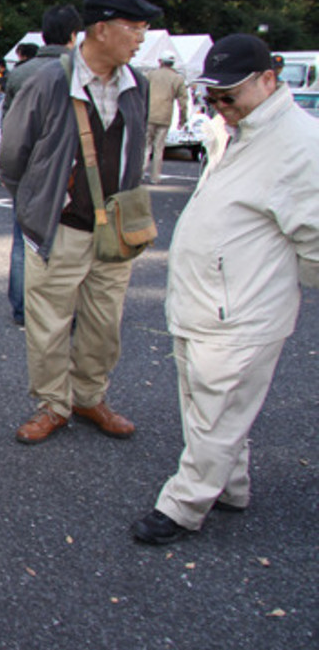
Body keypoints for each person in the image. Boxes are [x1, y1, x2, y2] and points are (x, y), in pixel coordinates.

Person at [131, 34, 319, 545]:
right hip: (208, 301)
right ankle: (231, 486)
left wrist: (274, 287)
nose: (219, 105)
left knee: (215, 413)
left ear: (268, 81)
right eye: (212, 96)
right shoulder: (239, 130)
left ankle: (182, 505)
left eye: (228, 95)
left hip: (241, 309)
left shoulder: (300, 144)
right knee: (208, 407)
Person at [0, 0, 162, 445]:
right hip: (61, 228)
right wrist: (36, 206)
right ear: (101, 29)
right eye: (134, 28)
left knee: (104, 325)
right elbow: (12, 156)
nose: (140, 39)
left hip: (116, 230)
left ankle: (90, 397)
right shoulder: (49, 82)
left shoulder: (138, 85)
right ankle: (53, 404)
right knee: (49, 325)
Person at [1, 5, 85, 326]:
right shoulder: (80, 73)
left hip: (28, 169)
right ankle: (64, 310)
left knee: (23, 240)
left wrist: (14, 181)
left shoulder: (22, 73)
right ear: (74, 36)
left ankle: (21, 306)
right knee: (70, 244)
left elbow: (10, 129)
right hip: (68, 171)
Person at [144, 52, 189, 184]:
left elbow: (141, 93)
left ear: (160, 61)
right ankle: (155, 177)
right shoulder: (177, 78)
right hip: (165, 116)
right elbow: (183, 102)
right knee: (159, 148)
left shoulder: (150, 75)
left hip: (149, 114)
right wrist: (183, 119)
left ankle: (139, 172)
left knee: (146, 147)